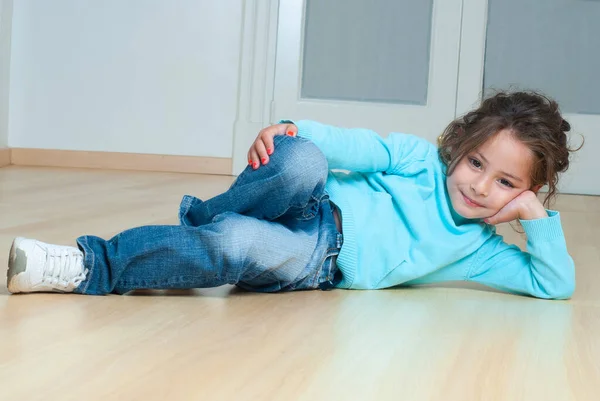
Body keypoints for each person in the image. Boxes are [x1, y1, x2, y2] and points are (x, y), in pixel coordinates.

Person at [6, 91, 579, 299]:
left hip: (316, 259)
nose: (479, 185)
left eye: (505, 182)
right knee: (302, 157)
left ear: (527, 191)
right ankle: (201, 218)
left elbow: (554, 285)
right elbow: (350, 145)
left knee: (233, 241)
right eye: (475, 163)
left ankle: (88, 266)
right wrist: (289, 129)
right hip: (314, 199)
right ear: (458, 148)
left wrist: (537, 221)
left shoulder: (479, 250)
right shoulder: (417, 160)